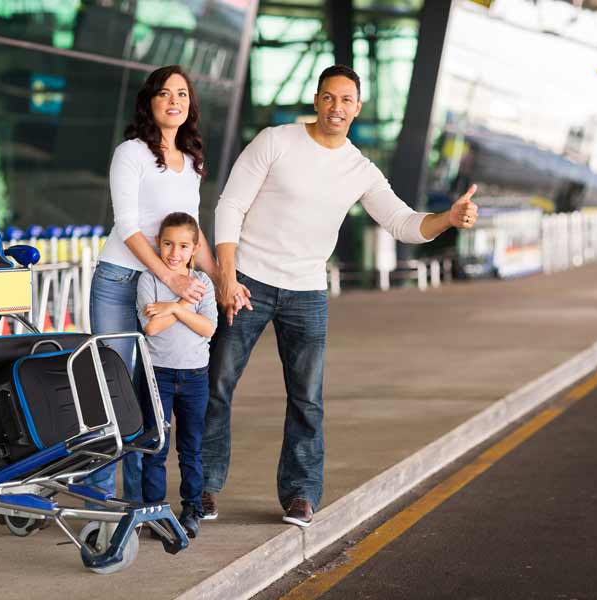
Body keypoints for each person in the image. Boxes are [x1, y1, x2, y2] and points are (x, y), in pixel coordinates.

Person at [201, 65, 478, 527]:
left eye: (346, 100)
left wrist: (448, 218)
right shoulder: (275, 141)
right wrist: (226, 277)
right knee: (217, 386)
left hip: (307, 290)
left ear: (358, 108)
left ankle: (300, 495)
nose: (337, 108)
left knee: (307, 398)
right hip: (249, 280)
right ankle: (203, 488)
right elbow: (230, 204)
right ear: (316, 100)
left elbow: (403, 223)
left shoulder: (359, 169)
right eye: (329, 98)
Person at [87, 65, 217, 503]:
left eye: (182, 93)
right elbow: (127, 225)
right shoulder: (132, 153)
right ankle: (101, 495)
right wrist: (171, 278)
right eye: (164, 93)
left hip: (166, 287)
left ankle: (144, 499)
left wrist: (220, 282)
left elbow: (192, 234)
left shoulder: (192, 162)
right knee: (113, 386)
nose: (174, 100)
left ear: (190, 105)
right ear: (150, 102)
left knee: (150, 394)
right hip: (121, 280)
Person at [136, 212, 217, 538]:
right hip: (158, 375)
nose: (174, 252)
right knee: (156, 447)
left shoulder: (204, 282)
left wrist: (173, 307)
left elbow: (208, 328)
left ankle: (192, 509)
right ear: (158, 243)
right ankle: (155, 511)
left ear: (195, 248)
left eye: (183, 245)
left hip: (196, 376)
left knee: (191, 448)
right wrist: (186, 304)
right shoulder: (149, 280)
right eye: (168, 243)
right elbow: (152, 328)